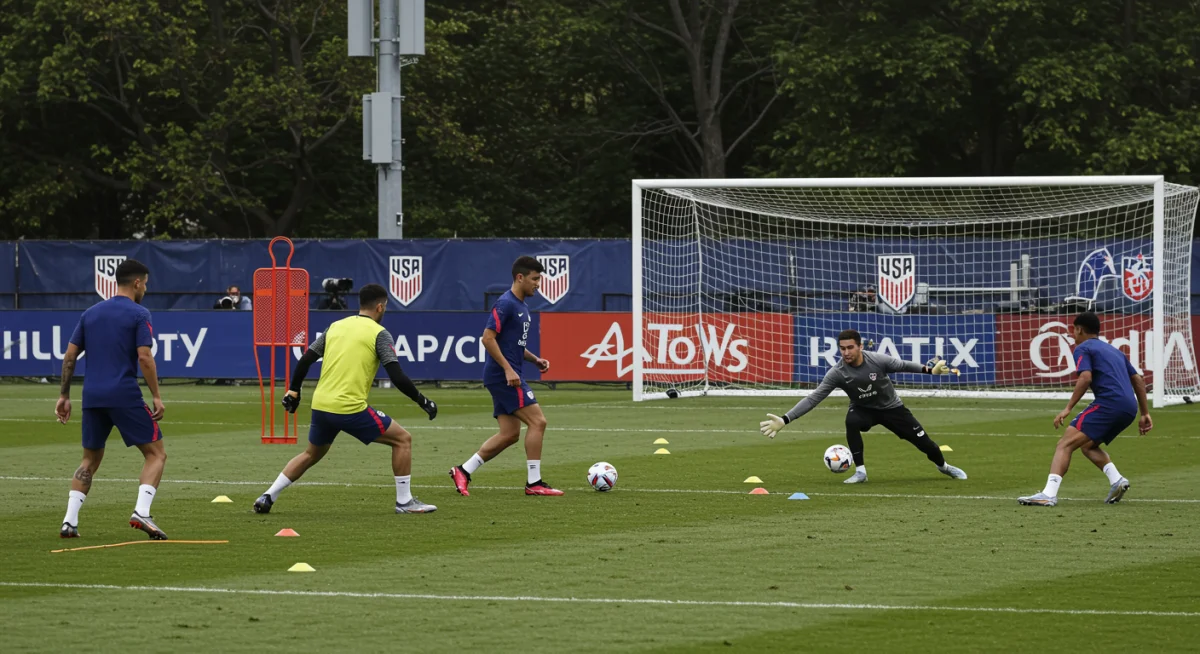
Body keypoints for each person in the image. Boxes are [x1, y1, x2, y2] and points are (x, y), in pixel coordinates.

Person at [253, 283, 439, 515]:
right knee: (403, 440)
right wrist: (423, 400)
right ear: (380, 307)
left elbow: (306, 359)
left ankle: (268, 495)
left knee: (311, 453)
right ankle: (404, 502)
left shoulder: (336, 327)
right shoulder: (379, 334)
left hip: (321, 405)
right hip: (349, 408)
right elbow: (396, 376)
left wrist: (293, 391)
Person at [758, 328, 968, 483]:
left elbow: (903, 365)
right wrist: (786, 419)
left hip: (892, 408)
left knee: (926, 444)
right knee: (852, 421)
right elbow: (814, 398)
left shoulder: (877, 360)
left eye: (850, 347)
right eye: (842, 349)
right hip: (863, 409)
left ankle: (944, 467)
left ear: (859, 346)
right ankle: (860, 472)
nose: (846, 352)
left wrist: (929, 371)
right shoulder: (838, 372)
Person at [55, 259, 168, 539]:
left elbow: (70, 356)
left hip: (91, 396)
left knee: (89, 459)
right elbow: (145, 356)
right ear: (137, 283)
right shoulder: (139, 314)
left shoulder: (90, 313)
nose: (146, 289)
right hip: (123, 394)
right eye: (146, 284)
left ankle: (69, 521)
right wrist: (156, 395)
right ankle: (142, 512)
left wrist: (64, 395)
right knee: (156, 454)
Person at [449, 256, 558, 496]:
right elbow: (487, 338)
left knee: (509, 435)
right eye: (535, 279)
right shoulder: (505, 303)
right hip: (503, 376)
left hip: (507, 374)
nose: (538, 284)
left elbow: (513, 345)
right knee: (538, 422)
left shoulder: (522, 306)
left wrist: (535, 359)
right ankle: (534, 483)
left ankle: (463, 471)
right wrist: (509, 369)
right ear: (520, 277)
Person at [1018, 312, 1151, 507]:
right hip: (1128, 408)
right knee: (1088, 446)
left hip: (1109, 403)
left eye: (1073, 329)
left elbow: (1085, 378)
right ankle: (1117, 480)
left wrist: (1067, 408)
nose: (1072, 334)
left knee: (1065, 444)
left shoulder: (1083, 348)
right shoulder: (1115, 351)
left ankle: (1048, 494)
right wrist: (1145, 413)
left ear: (1079, 329)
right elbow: (1138, 379)